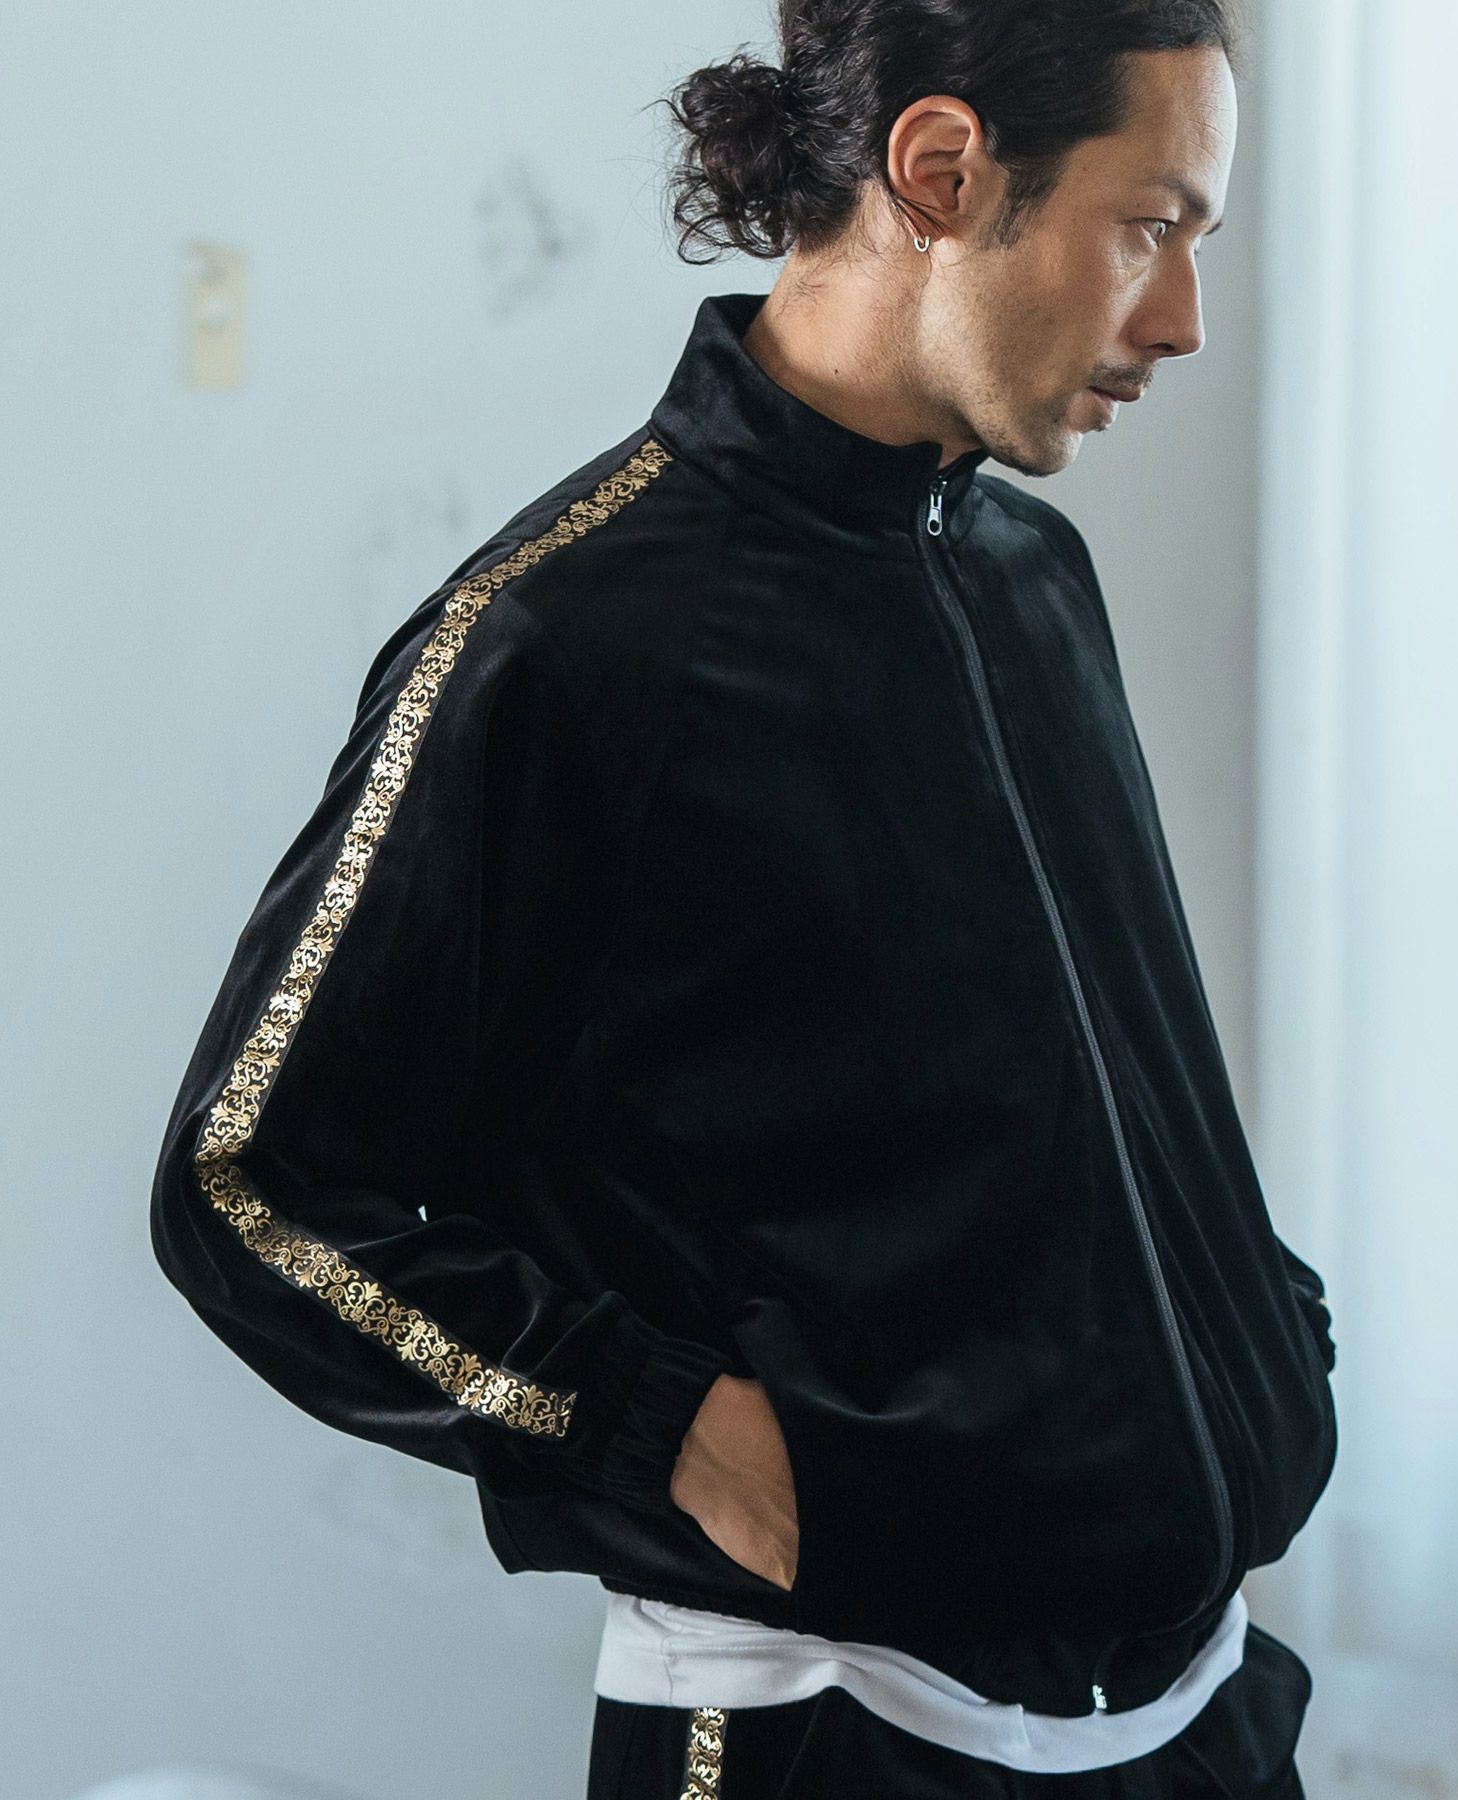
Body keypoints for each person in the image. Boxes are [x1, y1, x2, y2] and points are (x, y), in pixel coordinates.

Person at [149, 1, 1339, 1794]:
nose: (1180, 319)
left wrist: (1261, 1328)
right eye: (1149, 227)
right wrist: (657, 1424)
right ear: (942, 172)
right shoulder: (563, 644)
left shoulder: (1032, 572)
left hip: (1203, 1710)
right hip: (830, 1734)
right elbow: (245, 1186)